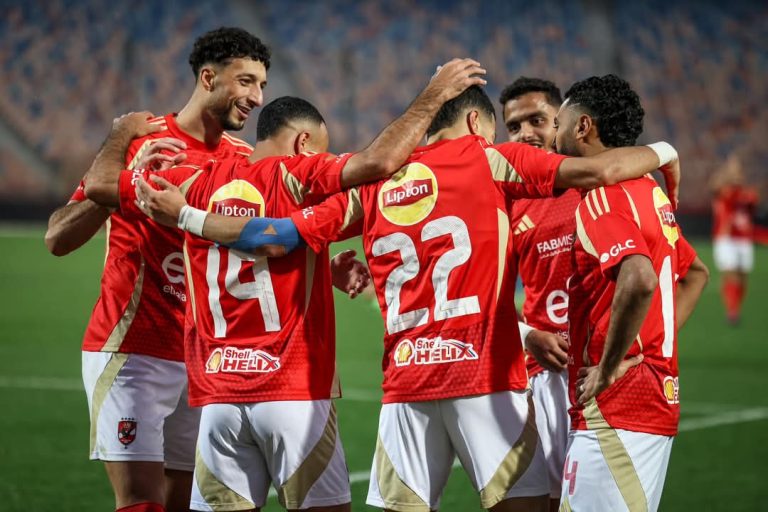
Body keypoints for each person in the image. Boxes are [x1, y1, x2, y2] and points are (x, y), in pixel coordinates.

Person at [140, 85, 683, 512]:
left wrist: (187, 216)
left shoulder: (374, 183)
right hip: (484, 379)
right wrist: (665, 151)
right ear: (476, 123)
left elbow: (277, 236)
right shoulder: (490, 159)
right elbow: (600, 170)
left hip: (405, 387)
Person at [84, 59, 488, 512]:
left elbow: (99, 185)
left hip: (218, 400)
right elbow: (377, 162)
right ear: (302, 143)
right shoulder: (297, 176)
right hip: (293, 393)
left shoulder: (192, 182)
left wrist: (122, 138)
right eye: (319, 150)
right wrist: (434, 94)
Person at [45, 27, 270, 512]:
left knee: (184, 502)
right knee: (141, 503)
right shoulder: (142, 141)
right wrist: (128, 179)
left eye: (261, 86)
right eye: (246, 81)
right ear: (208, 78)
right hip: (131, 350)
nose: (256, 97)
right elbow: (58, 237)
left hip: (201, 356)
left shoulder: (246, 161)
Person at [552, 75, 709, 512]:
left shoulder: (601, 198)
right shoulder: (649, 192)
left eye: (559, 123)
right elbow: (695, 274)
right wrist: (652, 346)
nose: (553, 134)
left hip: (617, 405)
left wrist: (607, 367)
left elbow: (639, 278)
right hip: (653, 395)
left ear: (583, 126)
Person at [499, 77, 576, 512]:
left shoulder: (600, 181)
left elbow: (685, 275)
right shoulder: (509, 202)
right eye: (514, 126)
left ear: (561, 121)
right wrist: (528, 336)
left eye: (536, 120)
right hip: (548, 375)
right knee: (551, 501)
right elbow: (486, 295)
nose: (525, 133)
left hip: (608, 369)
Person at [710, 154, 759, 325]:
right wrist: (727, 170)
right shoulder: (724, 191)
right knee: (730, 273)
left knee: (743, 275)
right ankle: (732, 311)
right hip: (726, 239)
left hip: (744, 239)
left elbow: (751, 209)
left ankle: (736, 307)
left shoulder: (748, 194)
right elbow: (714, 186)